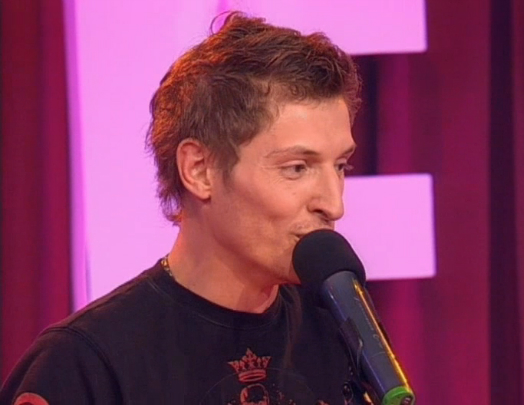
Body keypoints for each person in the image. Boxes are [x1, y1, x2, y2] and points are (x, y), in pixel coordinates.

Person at [0, 12, 364, 404]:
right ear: (199, 170)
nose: (334, 204)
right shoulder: (84, 364)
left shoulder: (340, 329)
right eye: (297, 168)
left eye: (340, 166)